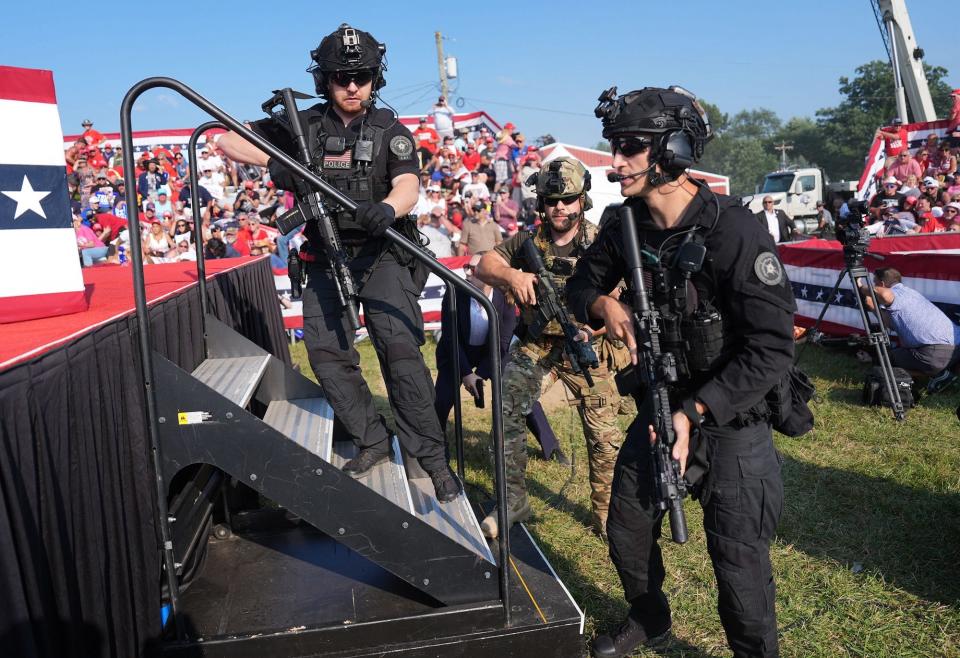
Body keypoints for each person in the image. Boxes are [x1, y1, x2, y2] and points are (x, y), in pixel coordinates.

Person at [568, 85, 795, 657]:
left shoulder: (734, 231)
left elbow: (770, 349)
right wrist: (605, 304)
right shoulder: (625, 223)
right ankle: (651, 618)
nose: (615, 162)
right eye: (614, 145)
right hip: (658, 405)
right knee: (625, 529)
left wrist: (694, 412)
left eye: (631, 147)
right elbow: (579, 287)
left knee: (739, 568)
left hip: (729, 419)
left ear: (671, 149)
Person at [217, 23, 460, 502]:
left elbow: (409, 184)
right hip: (324, 259)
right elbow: (225, 139)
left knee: (402, 356)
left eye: (363, 77)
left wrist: (389, 208)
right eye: (341, 78)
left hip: (383, 254)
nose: (353, 86)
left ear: (376, 79)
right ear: (324, 80)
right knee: (327, 357)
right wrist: (276, 164)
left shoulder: (391, 130)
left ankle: (430, 459)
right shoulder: (301, 125)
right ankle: (372, 441)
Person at [476, 156, 622, 540]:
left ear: (581, 200)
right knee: (505, 411)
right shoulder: (527, 242)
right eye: (552, 200)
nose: (560, 207)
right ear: (541, 202)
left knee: (605, 440)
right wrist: (512, 274)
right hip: (538, 347)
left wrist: (598, 329)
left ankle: (607, 518)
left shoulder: (601, 243)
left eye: (568, 199)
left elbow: (623, 302)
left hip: (587, 350)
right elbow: (484, 265)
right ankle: (513, 502)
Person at [434, 255, 563, 461]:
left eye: (473, 268)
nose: (466, 272)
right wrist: (467, 373)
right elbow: (451, 338)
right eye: (466, 267)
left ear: (489, 274)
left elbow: (502, 342)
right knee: (441, 398)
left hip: (493, 354)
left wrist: (482, 373)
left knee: (518, 390)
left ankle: (551, 447)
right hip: (458, 353)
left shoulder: (505, 298)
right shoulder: (454, 294)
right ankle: (434, 445)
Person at [861, 267, 960, 385]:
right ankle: (944, 370)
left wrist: (862, 289)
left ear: (881, 284)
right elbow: (890, 324)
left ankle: (938, 374)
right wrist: (871, 304)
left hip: (934, 354)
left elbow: (885, 294)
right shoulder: (910, 293)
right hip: (956, 350)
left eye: (874, 283)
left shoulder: (894, 294)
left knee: (884, 361)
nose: (873, 286)